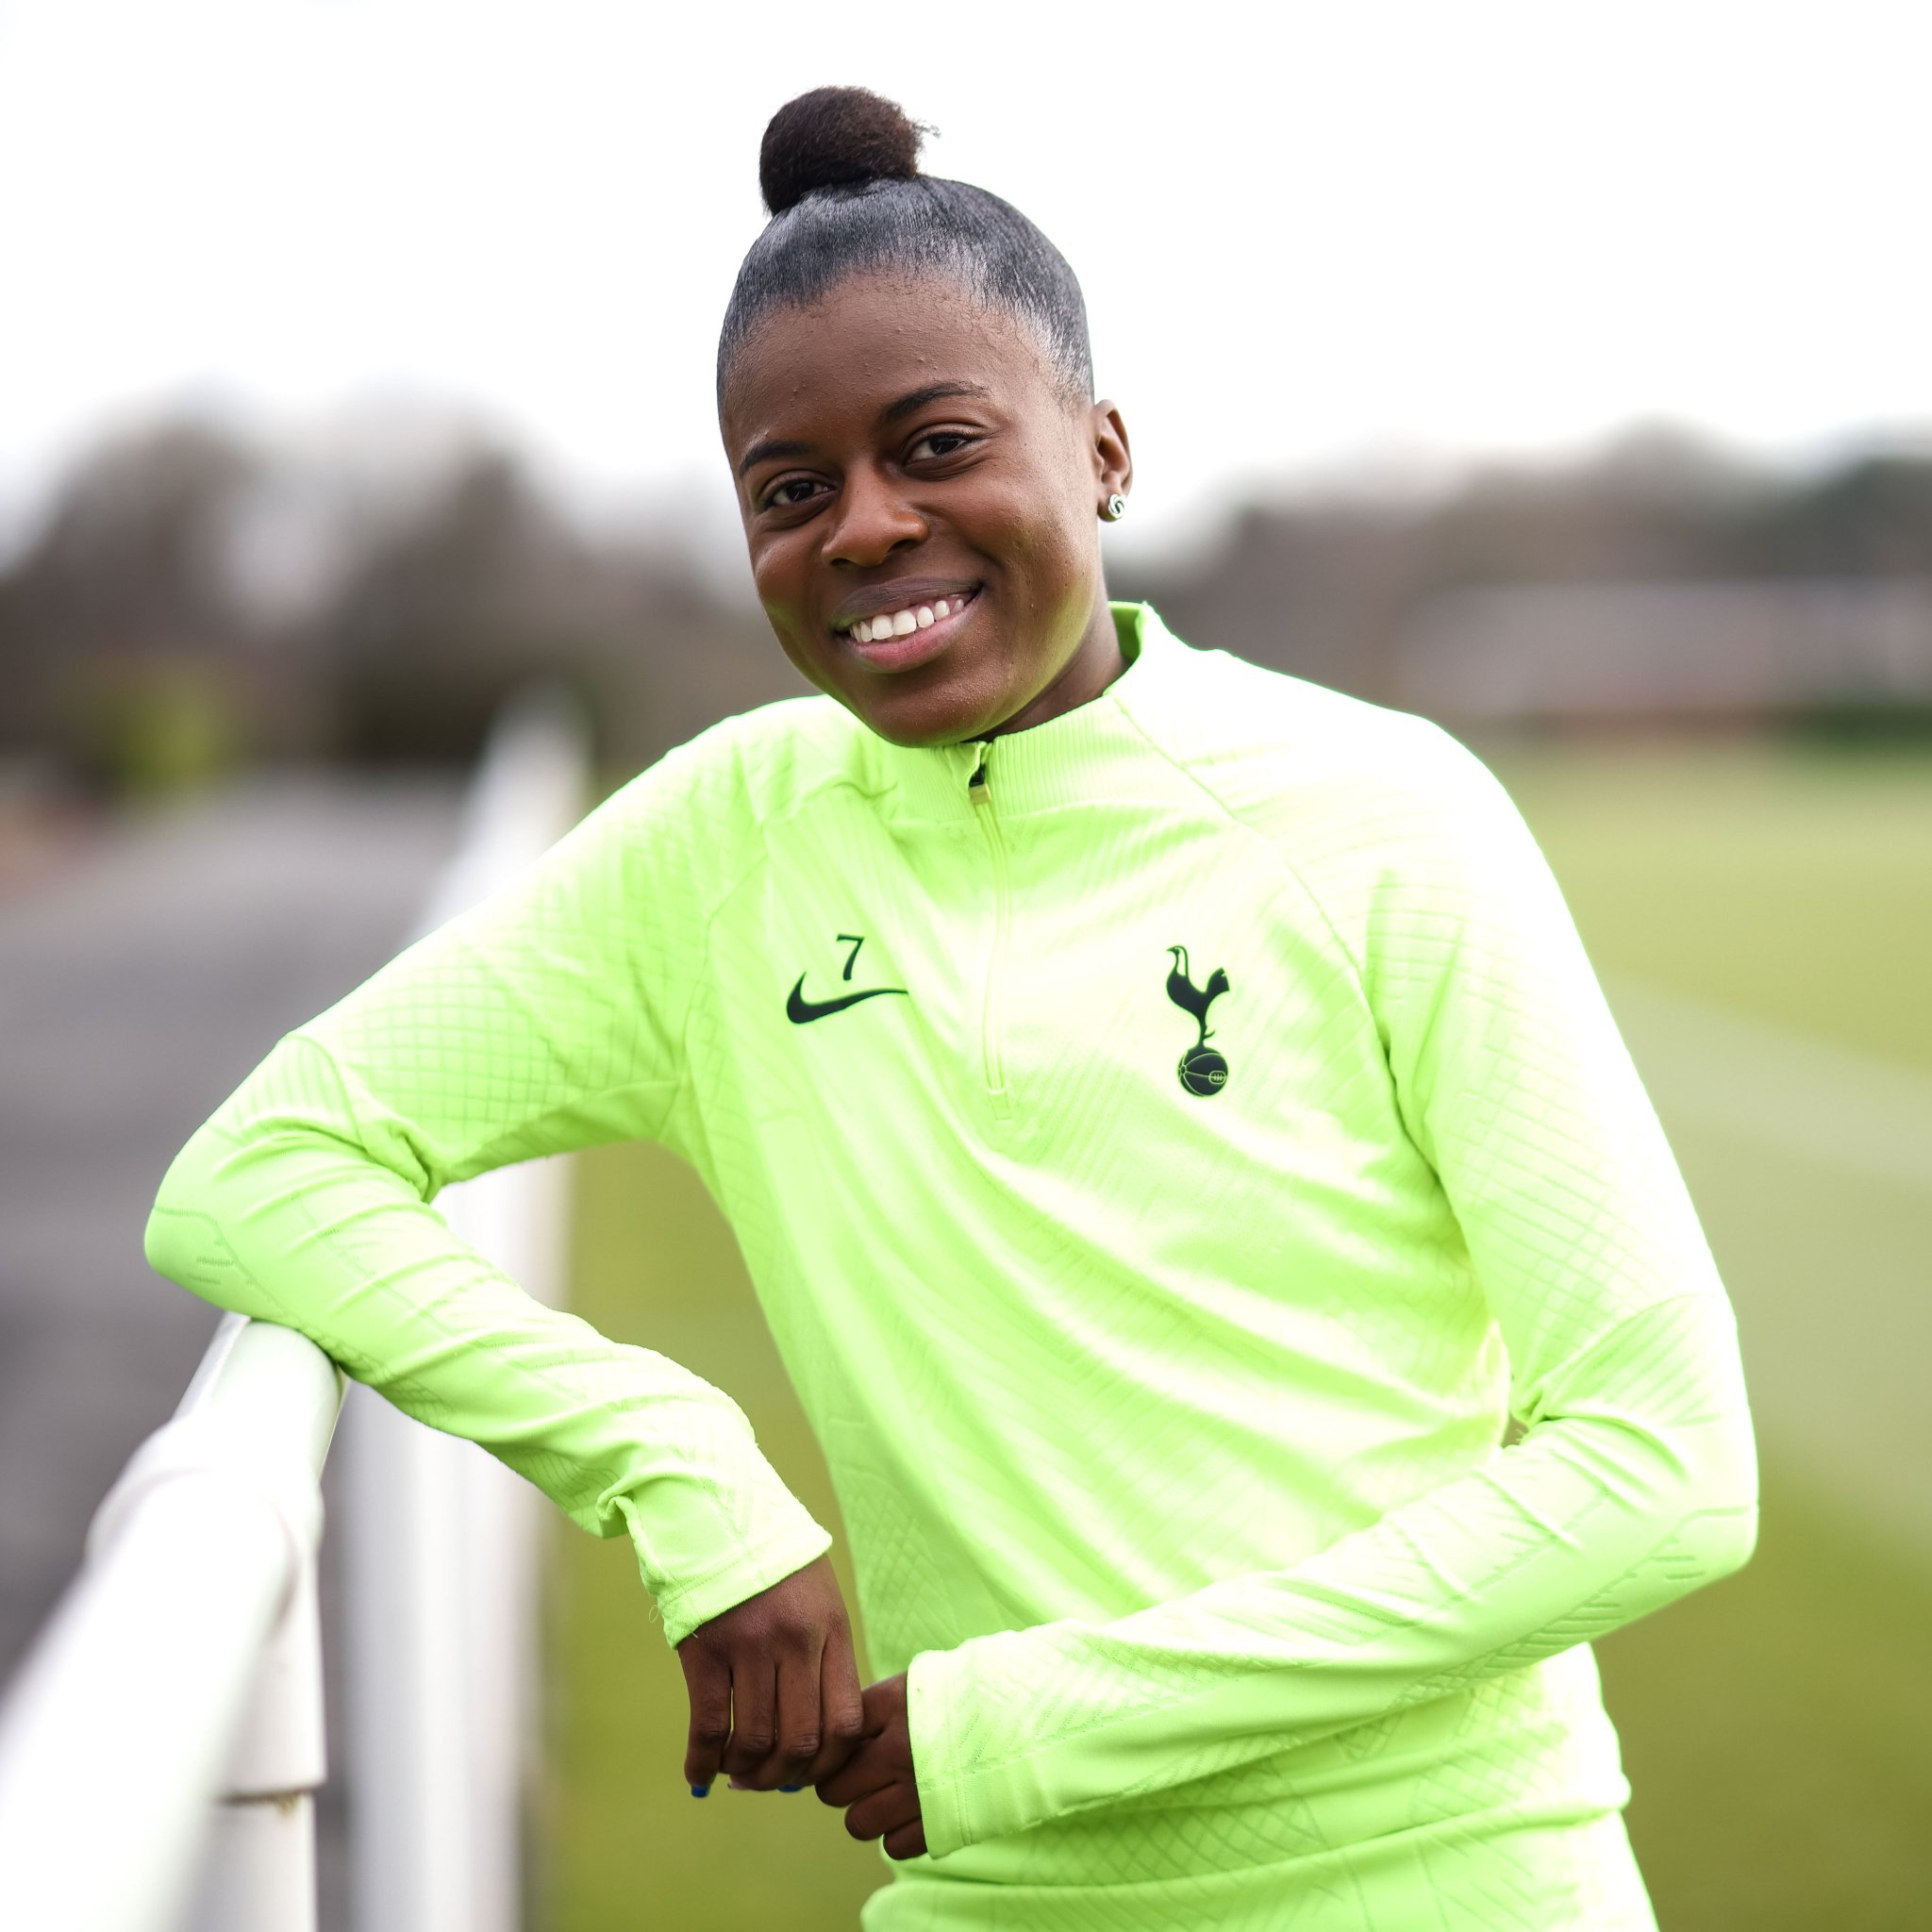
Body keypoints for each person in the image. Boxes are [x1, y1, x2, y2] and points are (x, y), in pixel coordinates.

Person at [144, 84, 1759, 1931]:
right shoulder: (717, 846)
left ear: (1104, 450)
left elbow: (1662, 1466)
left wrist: (1047, 1716)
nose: (862, 526)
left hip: (1457, 1883)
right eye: (790, 488)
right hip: (987, 1896)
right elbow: (257, 1170)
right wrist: (682, 1474)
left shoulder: (1385, 813)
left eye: (935, 443)